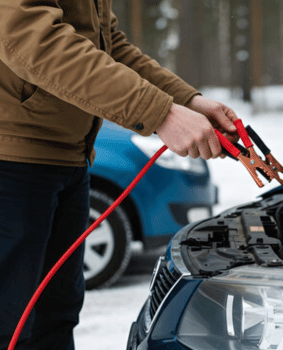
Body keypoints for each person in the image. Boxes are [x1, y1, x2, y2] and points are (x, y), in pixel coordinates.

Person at [0, 0, 238, 349]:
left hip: (69, 158)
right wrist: (159, 114)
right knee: (12, 323)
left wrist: (186, 101)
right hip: (13, 160)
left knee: (56, 316)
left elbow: (109, 44)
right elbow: (31, 37)